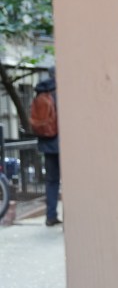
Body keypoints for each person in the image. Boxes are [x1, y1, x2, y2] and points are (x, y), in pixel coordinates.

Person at [33, 68, 61, 226]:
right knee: (70, 181)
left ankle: (50, 215)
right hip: (62, 143)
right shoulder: (60, 92)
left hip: (46, 142)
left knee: (51, 181)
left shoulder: (41, 92)